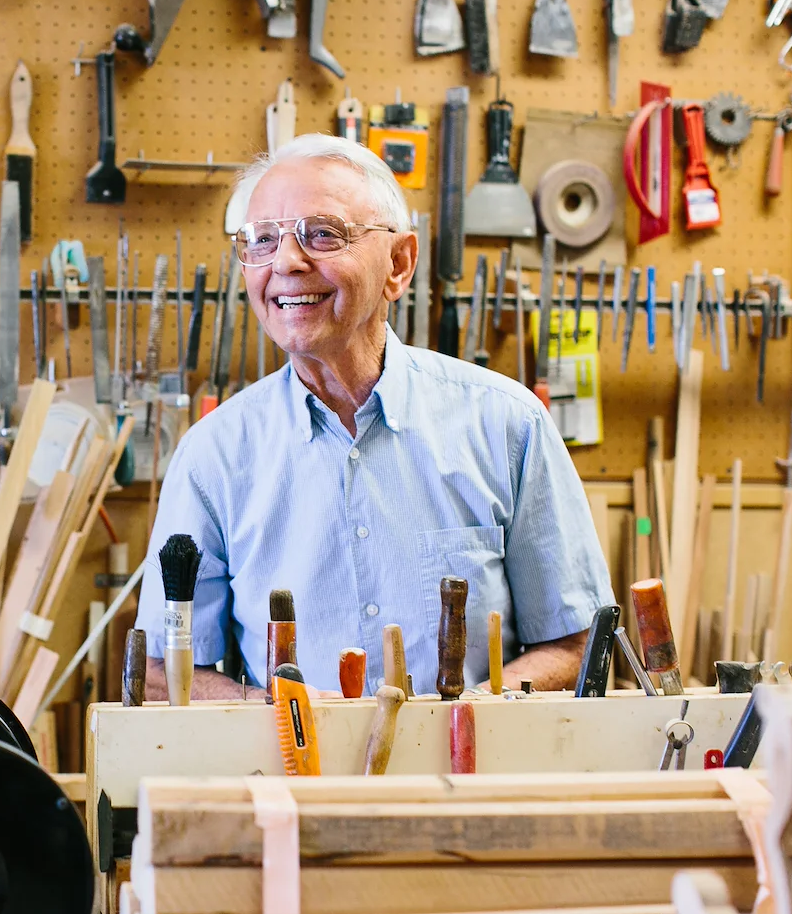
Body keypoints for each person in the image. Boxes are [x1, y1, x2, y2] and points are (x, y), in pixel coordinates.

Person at [135, 133, 614, 700]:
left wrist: (466, 714)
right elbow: (165, 669)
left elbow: (578, 645)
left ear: (399, 264)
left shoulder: (508, 425)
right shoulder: (213, 455)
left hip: (470, 774)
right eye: (261, 240)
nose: (286, 261)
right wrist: (279, 712)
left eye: (322, 234)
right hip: (293, 772)